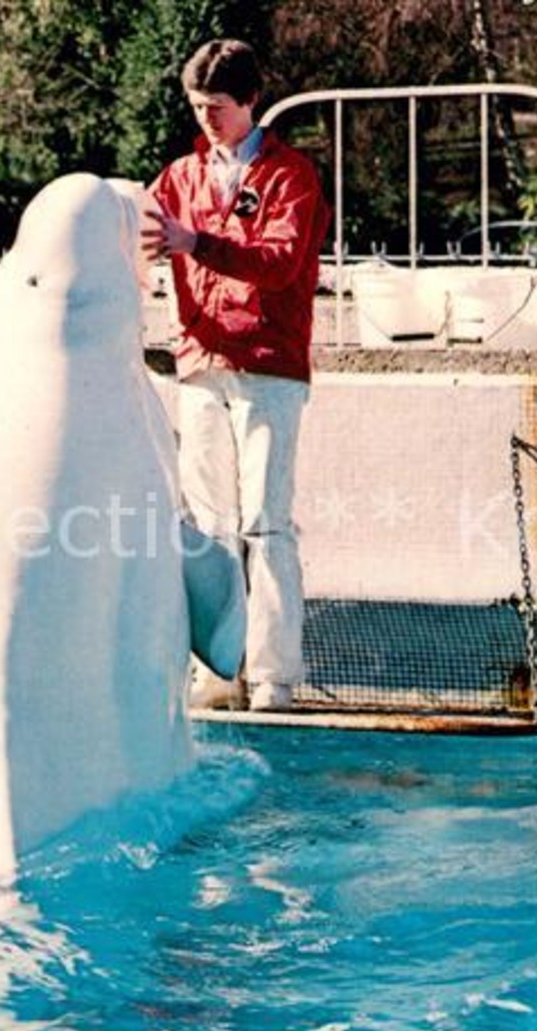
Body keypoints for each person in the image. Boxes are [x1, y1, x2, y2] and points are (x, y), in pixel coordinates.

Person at [145, 39, 331, 712]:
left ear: (251, 101)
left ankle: (275, 674)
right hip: (200, 365)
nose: (206, 120)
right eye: (197, 108)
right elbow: (134, 232)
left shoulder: (290, 177)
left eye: (217, 107)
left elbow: (279, 262)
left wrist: (197, 243)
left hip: (268, 366)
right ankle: (219, 669)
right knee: (210, 524)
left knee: (265, 522)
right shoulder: (178, 180)